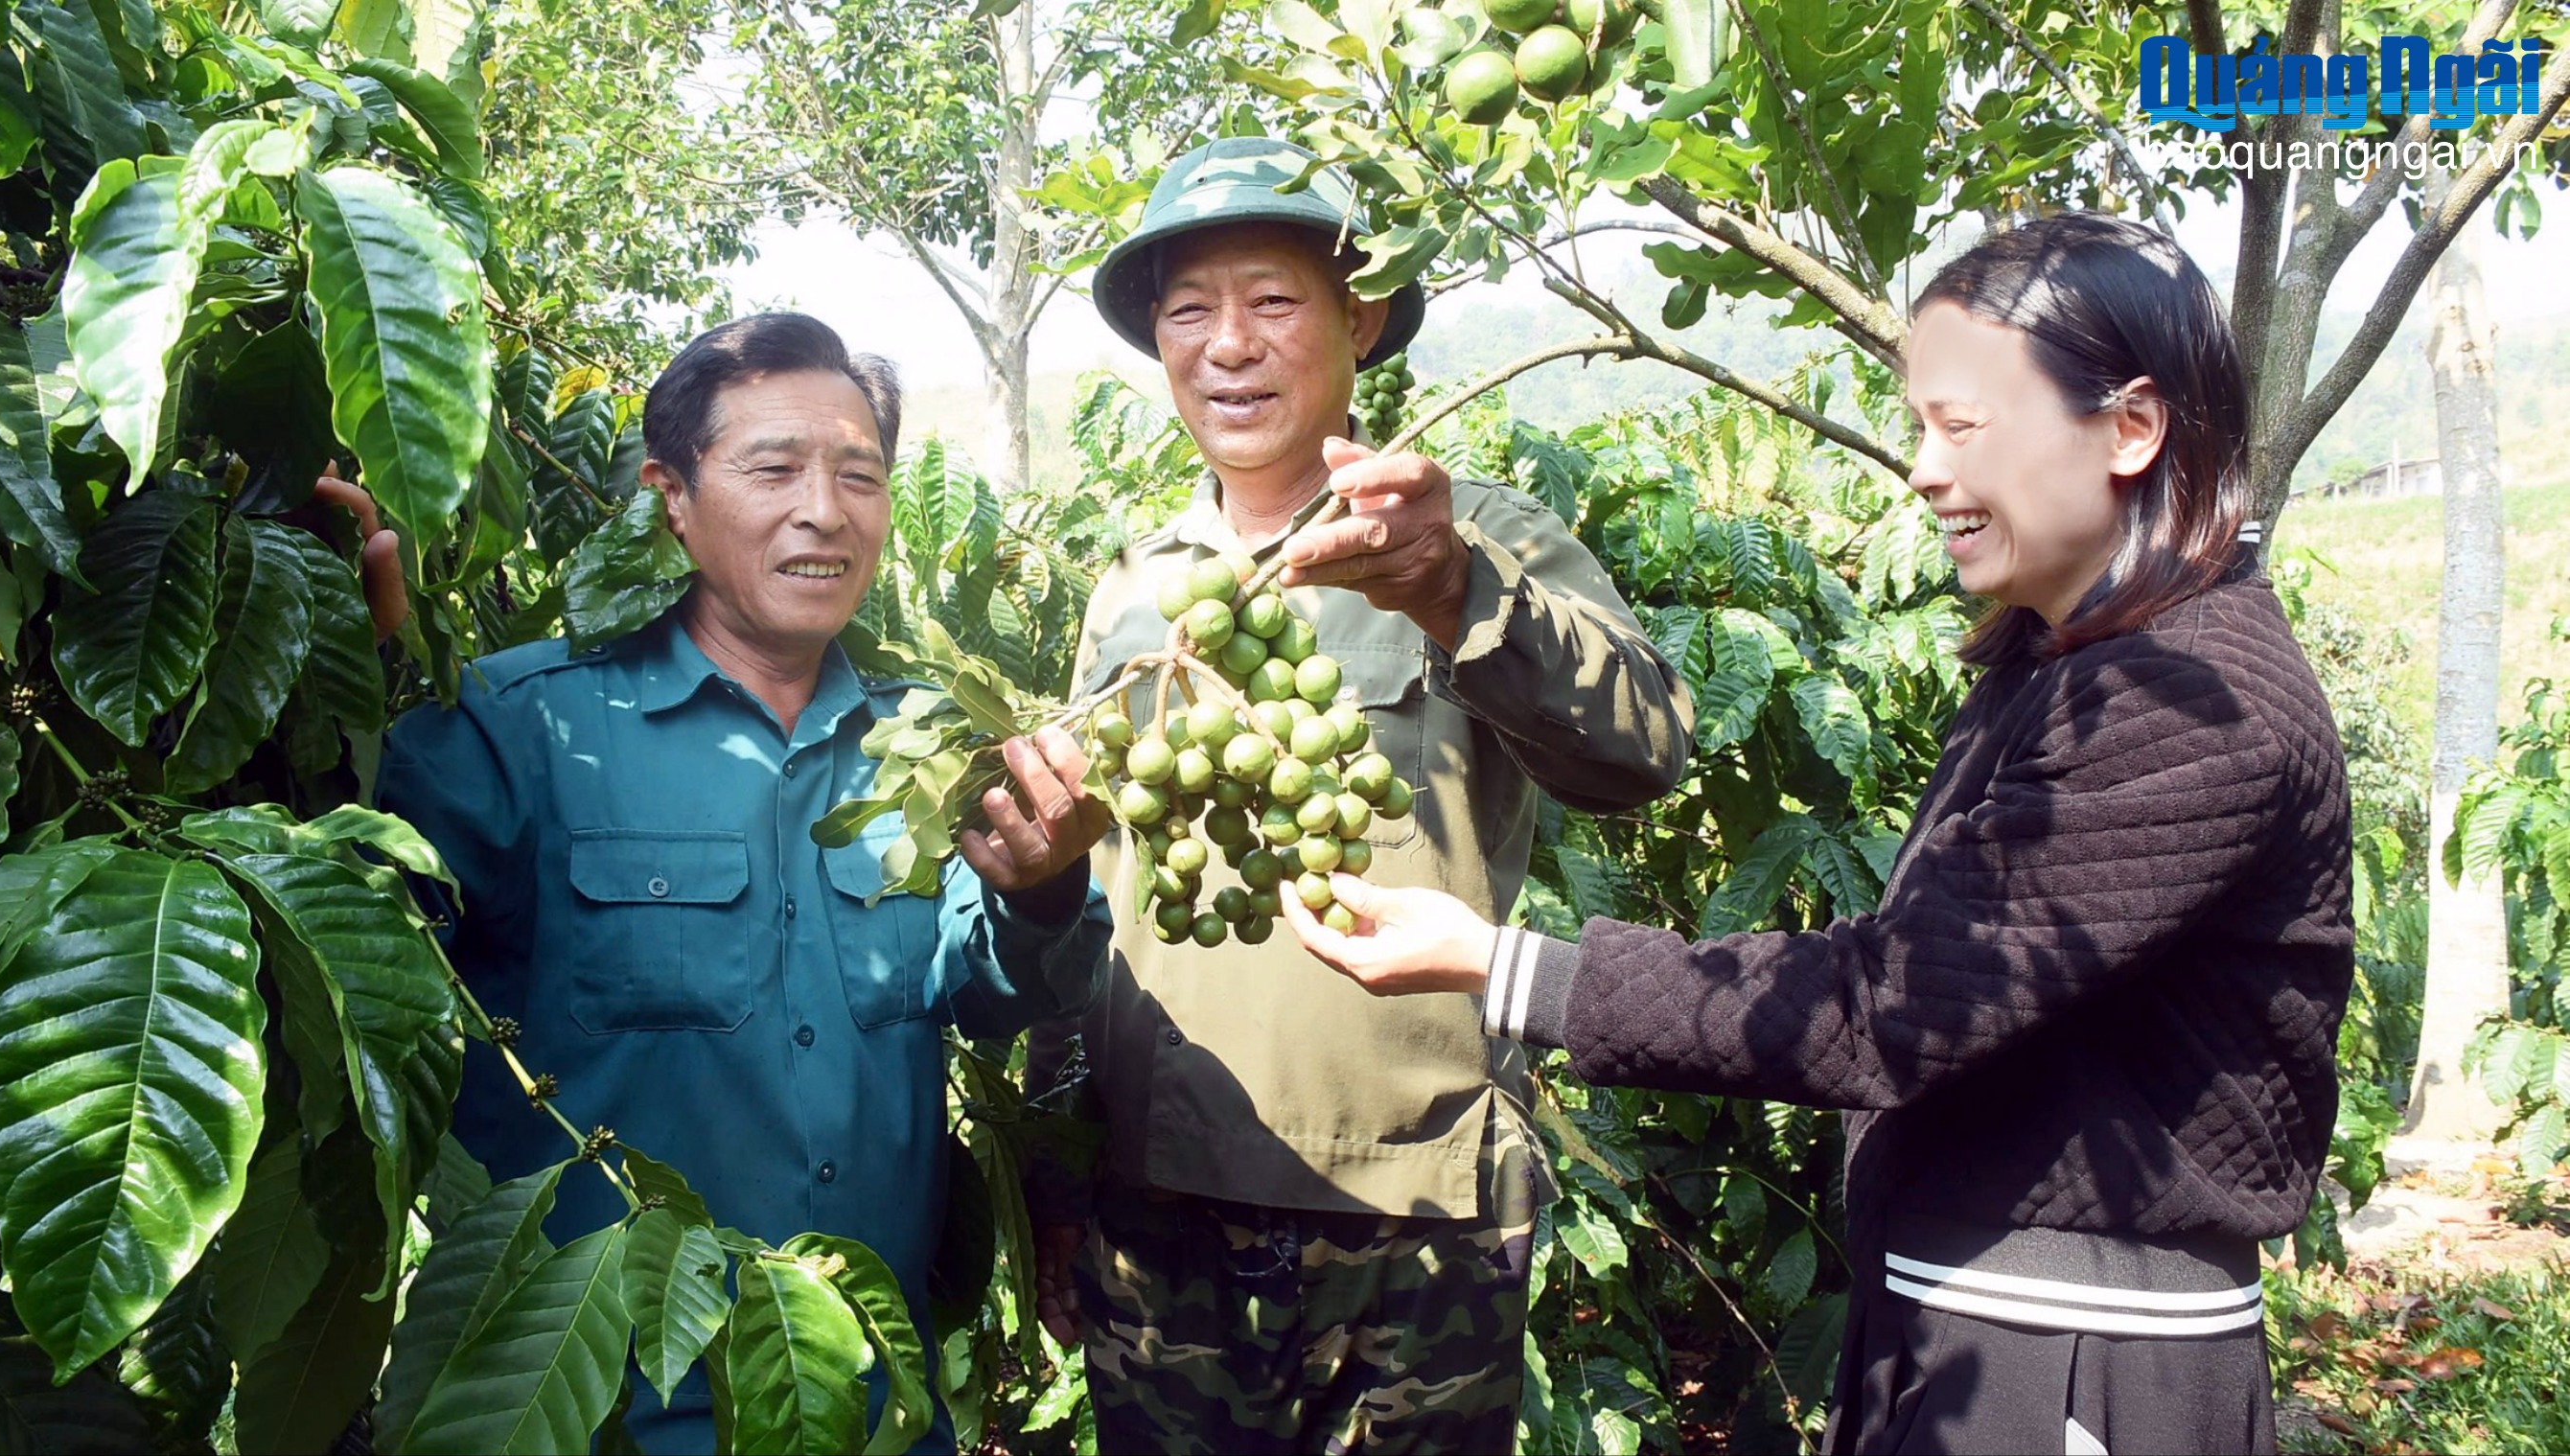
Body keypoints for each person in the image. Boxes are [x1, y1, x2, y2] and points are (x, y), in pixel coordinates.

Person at [1280, 213, 2352, 1456]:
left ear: (2130, 427)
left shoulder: (2187, 701)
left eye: (1970, 428)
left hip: (2070, 1351)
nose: (1929, 471)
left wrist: (1505, 964)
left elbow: (1888, 1007)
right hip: (1984, 1320)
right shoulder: (2092, 664)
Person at [1024, 135, 1697, 1453]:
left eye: (1273, 302)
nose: (1230, 346)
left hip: (1414, 1214)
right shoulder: (1131, 589)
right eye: (1190, 310)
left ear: (1361, 317)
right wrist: (1056, 1160)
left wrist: (1453, 589)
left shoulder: (1471, 531)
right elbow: (1091, 893)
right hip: (1157, 1215)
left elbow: (1645, 748)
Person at [369, 313, 1114, 1454]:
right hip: (596, 1412)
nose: (824, 509)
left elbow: (990, 987)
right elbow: (360, 983)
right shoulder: (515, 730)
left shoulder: (931, 743)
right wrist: (354, 660)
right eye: (774, 468)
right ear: (673, 493)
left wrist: (1044, 890)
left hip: (871, 1408)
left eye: (859, 474)